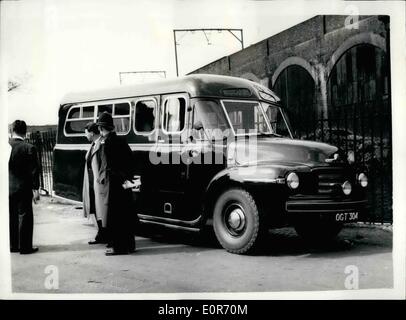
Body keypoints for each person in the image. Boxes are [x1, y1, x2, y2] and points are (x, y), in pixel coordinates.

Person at [96, 112, 138, 255]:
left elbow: (107, 166)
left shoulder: (106, 143)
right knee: (126, 214)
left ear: (101, 129)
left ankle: (118, 247)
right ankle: (130, 246)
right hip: (124, 183)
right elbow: (131, 161)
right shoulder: (122, 140)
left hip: (113, 184)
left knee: (115, 216)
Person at [9, 120, 40, 254]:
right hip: (23, 188)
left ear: (12, 131)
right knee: (25, 216)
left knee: (11, 216)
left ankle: (13, 245)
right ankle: (25, 247)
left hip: (7, 188)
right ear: (25, 131)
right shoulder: (29, 148)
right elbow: (34, 171)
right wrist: (36, 189)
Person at [82, 122, 109, 245]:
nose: (85, 135)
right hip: (92, 181)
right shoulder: (93, 144)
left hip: (99, 182)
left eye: (86, 133)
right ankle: (101, 234)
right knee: (95, 208)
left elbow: (104, 164)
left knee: (101, 209)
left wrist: (101, 179)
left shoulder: (101, 144)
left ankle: (104, 235)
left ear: (92, 133)